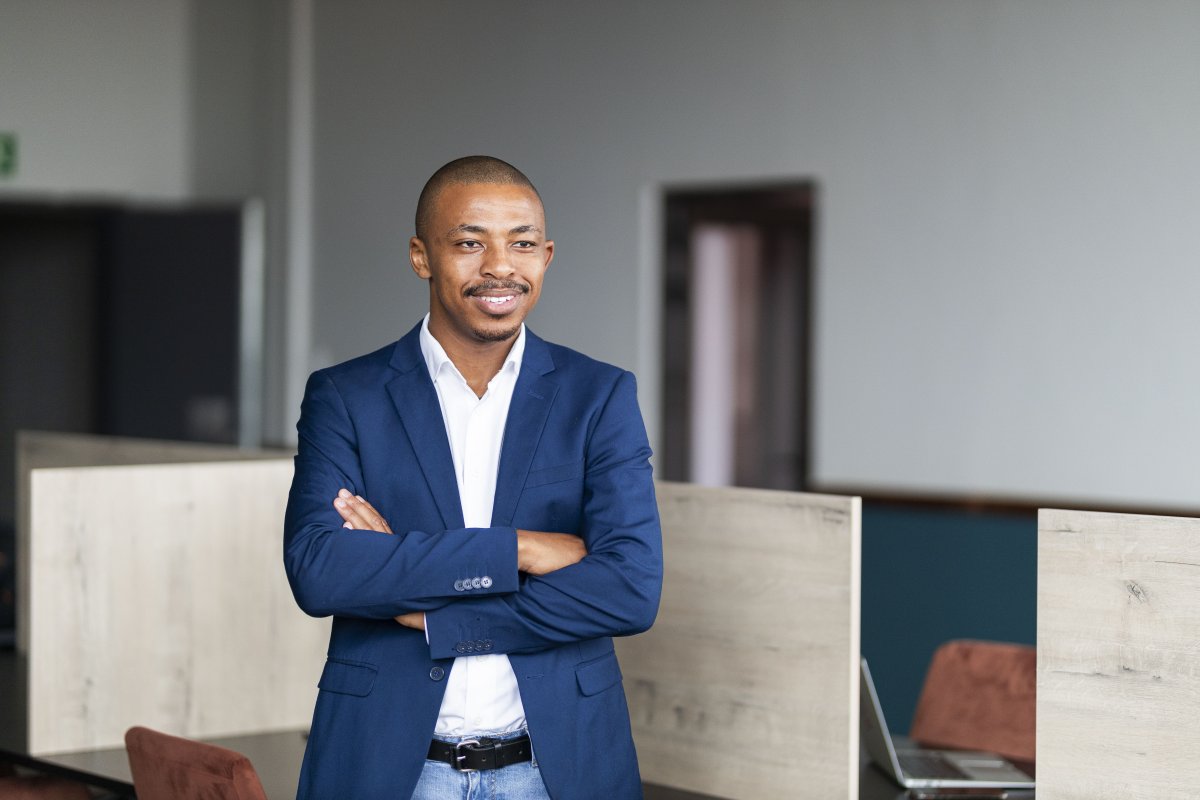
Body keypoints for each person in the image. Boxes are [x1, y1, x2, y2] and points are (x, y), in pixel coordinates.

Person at [283, 155, 663, 799]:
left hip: (557, 767)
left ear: (546, 255)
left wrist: (436, 617)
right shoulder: (347, 396)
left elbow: (630, 589)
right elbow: (321, 571)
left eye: (521, 244)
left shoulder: (598, 396)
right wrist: (518, 548)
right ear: (420, 256)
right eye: (468, 243)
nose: (499, 266)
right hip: (389, 765)